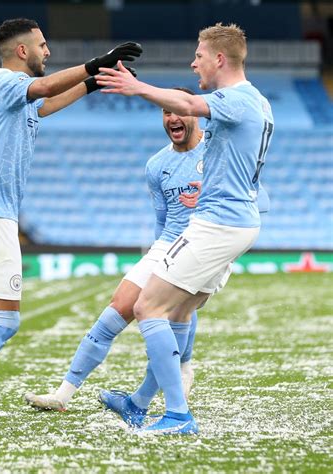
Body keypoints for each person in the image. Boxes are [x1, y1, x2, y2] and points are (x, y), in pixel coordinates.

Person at [0, 17, 142, 436]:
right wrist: (95, 64)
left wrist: (95, 82)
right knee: (6, 321)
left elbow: (48, 103)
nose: (48, 52)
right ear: (22, 51)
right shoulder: (5, 84)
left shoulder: (15, 95)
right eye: (42, 45)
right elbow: (43, 89)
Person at [95, 23, 274, 435]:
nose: (193, 62)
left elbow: (189, 104)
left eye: (198, 55)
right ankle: (139, 402)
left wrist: (139, 89)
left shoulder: (239, 100)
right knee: (176, 310)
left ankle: (178, 415)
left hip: (219, 221)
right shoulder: (258, 102)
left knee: (146, 308)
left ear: (219, 59)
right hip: (234, 221)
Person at [25, 87, 204, 424]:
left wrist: (208, 201)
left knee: (165, 313)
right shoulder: (157, 165)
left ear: (195, 111)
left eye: (177, 110)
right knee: (116, 309)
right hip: (167, 246)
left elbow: (255, 200)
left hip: (205, 245)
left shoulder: (219, 152)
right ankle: (63, 394)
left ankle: (175, 382)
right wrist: (157, 257)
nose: (172, 118)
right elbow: (163, 220)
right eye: (165, 112)